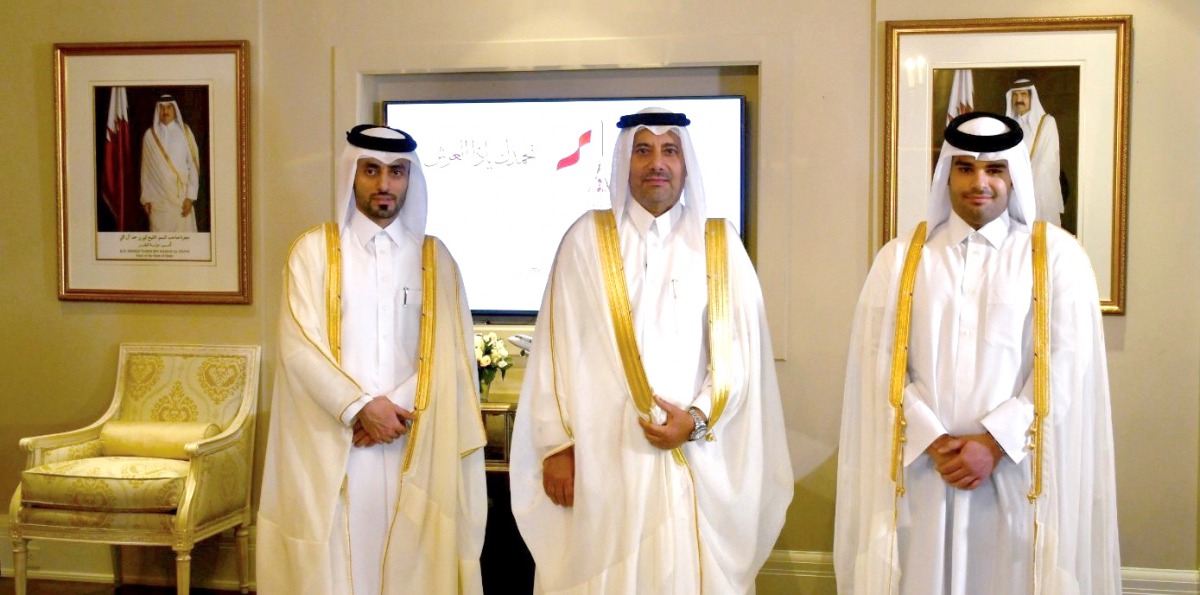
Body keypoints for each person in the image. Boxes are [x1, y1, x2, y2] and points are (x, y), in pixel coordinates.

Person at [509, 108, 793, 594]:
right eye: (643, 150)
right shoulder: (585, 239)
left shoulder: (719, 244)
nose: (656, 163)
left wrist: (696, 418)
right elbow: (555, 347)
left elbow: (739, 354)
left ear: (685, 164)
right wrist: (556, 446)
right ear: (625, 162)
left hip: (691, 454)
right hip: (603, 458)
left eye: (669, 151)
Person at [834, 112, 1120, 594]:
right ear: (947, 174)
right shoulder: (900, 258)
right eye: (965, 168)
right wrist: (933, 438)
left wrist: (993, 444)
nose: (979, 183)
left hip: (1017, 471)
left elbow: (1067, 366)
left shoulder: (1057, 258)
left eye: (994, 169)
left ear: (1014, 175)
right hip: (924, 468)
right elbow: (877, 358)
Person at [257, 125, 488, 595]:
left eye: (397, 172)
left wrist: (392, 412)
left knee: (413, 563)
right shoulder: (313, 252)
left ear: (410, 178)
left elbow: (451, 350)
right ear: (352, 174)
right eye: (371, 170)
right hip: (338, 440)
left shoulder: (436, 259)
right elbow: (300, 346)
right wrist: (362, 407)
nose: (385, 183)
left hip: (412, 438)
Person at [1005, 78, 1065, 226]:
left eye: (1023, 94)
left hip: (1038, 193)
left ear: (1032, 97)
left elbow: (1048, 162)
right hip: (1011, 193)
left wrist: (1024, 184)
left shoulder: (1047, 123)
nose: (1019, 99)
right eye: (1015, 95)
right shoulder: (1007, 126)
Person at [140, 94, 201, 232]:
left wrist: (190, 197)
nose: (165, 111)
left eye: (168, 107)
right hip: (158, 203)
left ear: (175, 109)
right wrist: (146, 198)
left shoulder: (185, 132)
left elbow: (193, 166)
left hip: (181, 200)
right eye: (161, 108)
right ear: (157, 110)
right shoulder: (149, 136)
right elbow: (146, 171)